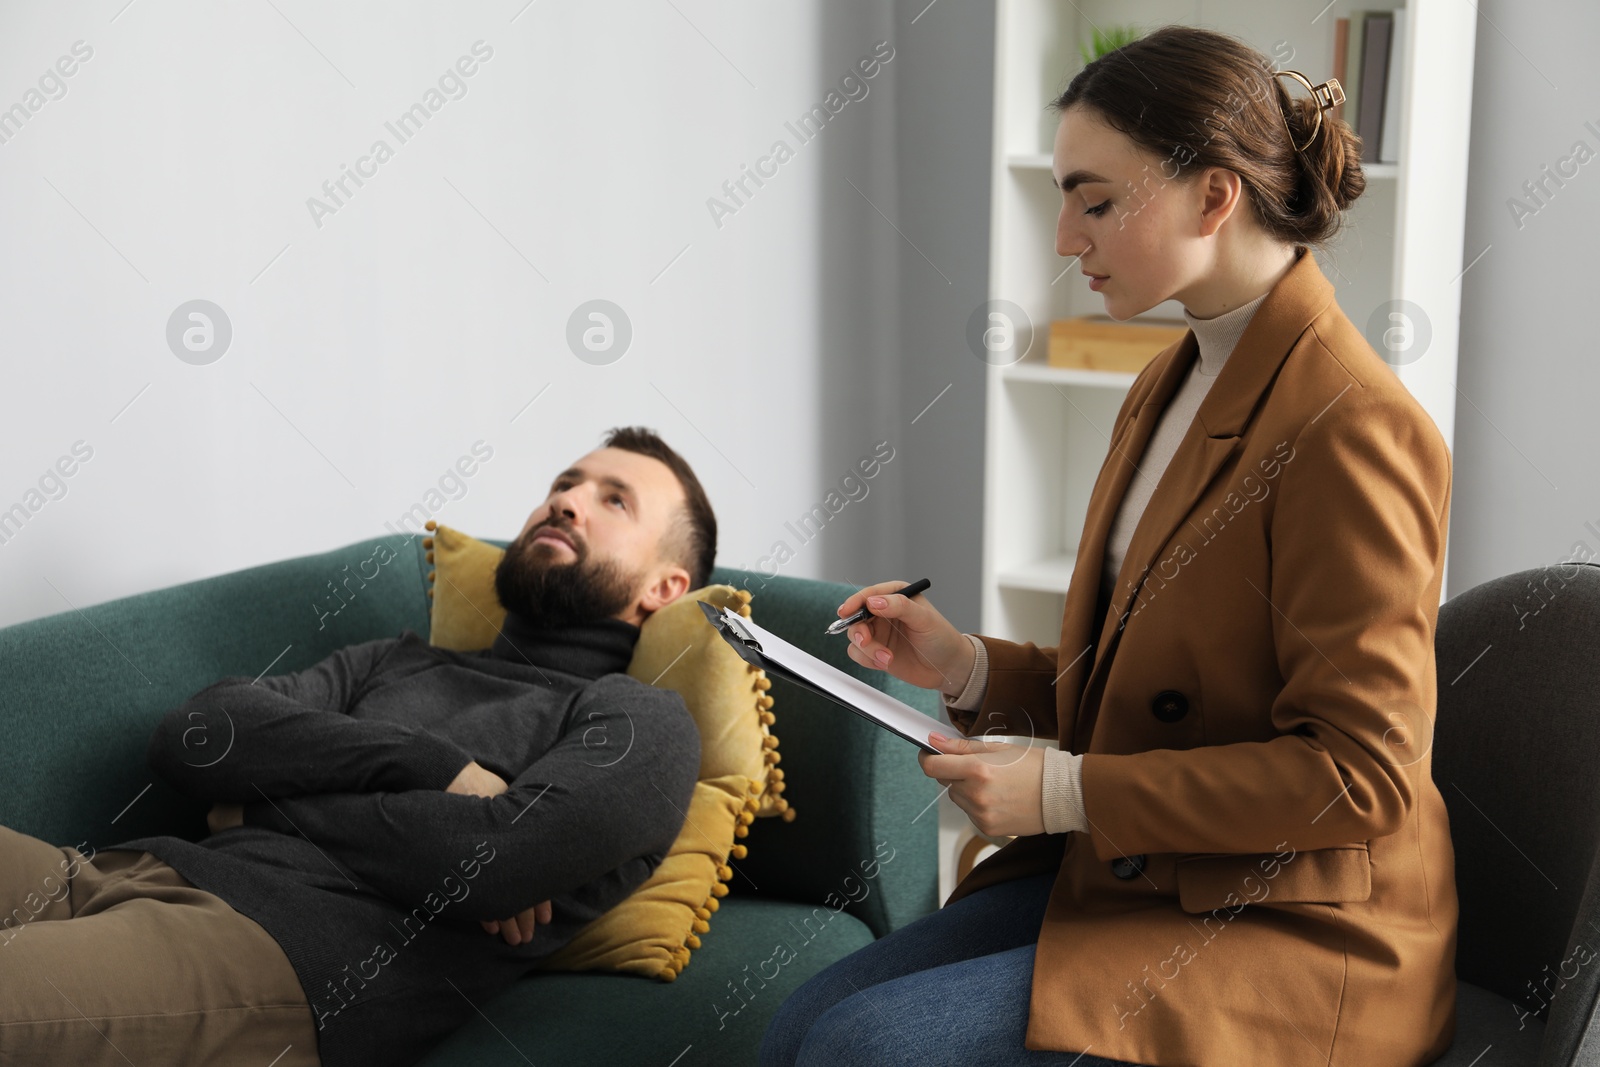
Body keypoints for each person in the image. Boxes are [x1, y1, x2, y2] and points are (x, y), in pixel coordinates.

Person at [763, 26, 1456, 1067]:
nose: (1061, 238)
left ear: (1212, 197)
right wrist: (963, 664)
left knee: (858, 1047)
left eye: (1094, 200)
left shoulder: (1352, 427)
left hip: (1296, 927)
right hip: (1151, 867)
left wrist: (1063, 791)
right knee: (794, 1027)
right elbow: (1149, 690)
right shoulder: (1168, 378)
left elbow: (1359, 777)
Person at [0, 426, 716, 1067]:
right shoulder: (393, 660)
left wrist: (252, 810)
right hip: (114, 872)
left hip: (268, 955)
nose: (567, 501)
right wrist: (428, 765)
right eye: (565, 483)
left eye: (614, 500)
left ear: (665, 585)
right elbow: (193, 734)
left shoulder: (640, 723)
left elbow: (492, 861)